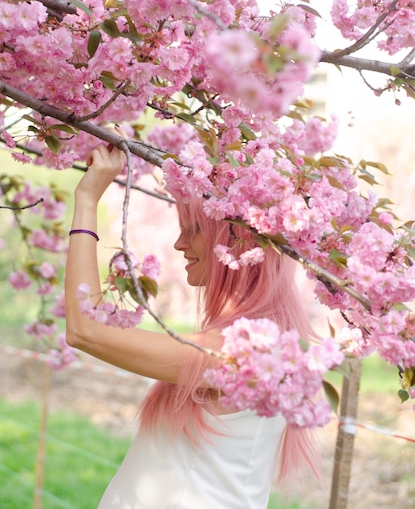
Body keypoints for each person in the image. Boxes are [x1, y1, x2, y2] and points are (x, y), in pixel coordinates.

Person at [65, 127, 318, 509]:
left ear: (237, 242)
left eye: (194, 229)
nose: (180, 243)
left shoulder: (239, 354)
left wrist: (86, 200)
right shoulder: (249, 341)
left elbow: (85, 329)